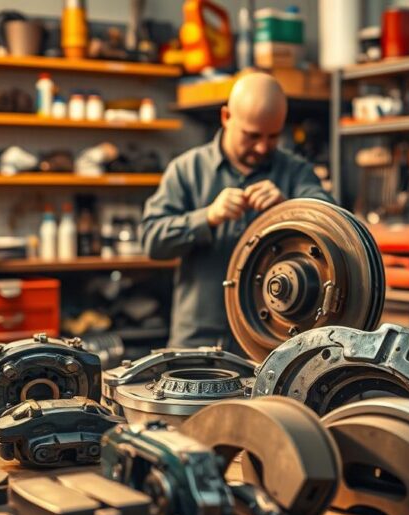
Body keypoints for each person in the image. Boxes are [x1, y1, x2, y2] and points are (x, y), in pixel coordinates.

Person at [142, 72, 332, 351]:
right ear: (226, 117)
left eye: (273, 136)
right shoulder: (186, 170)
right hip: (197, 341)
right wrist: (206, 218)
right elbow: (151, 241)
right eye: (252, 135)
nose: (262, 146)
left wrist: (288, 206)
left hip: (273, 344)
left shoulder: (295, 172)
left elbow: (335, 225)